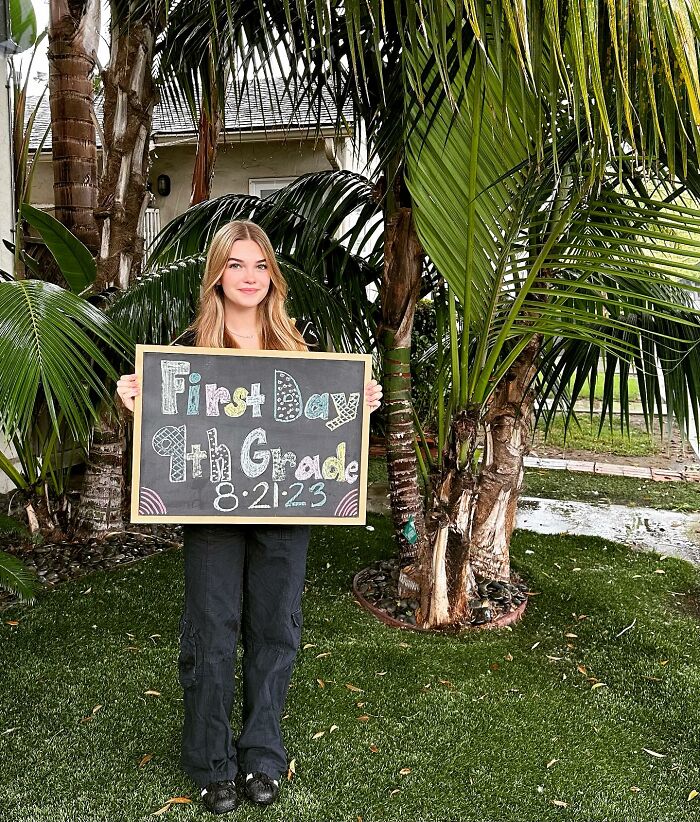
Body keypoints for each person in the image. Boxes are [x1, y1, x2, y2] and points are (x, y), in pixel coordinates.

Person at [116, 220, 382, 816]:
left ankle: (262, 756)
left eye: (260, 266)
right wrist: (139, 403)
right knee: (211, 633)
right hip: (211, 511)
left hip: (287, 512)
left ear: (272, 279)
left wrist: (355, 404)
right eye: (236, 264)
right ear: (217, 275)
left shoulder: (300, 354)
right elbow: (164, 449)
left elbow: (328, 434)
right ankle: (211, 765)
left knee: (275, 631)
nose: (249, 277)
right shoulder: (184, 355)